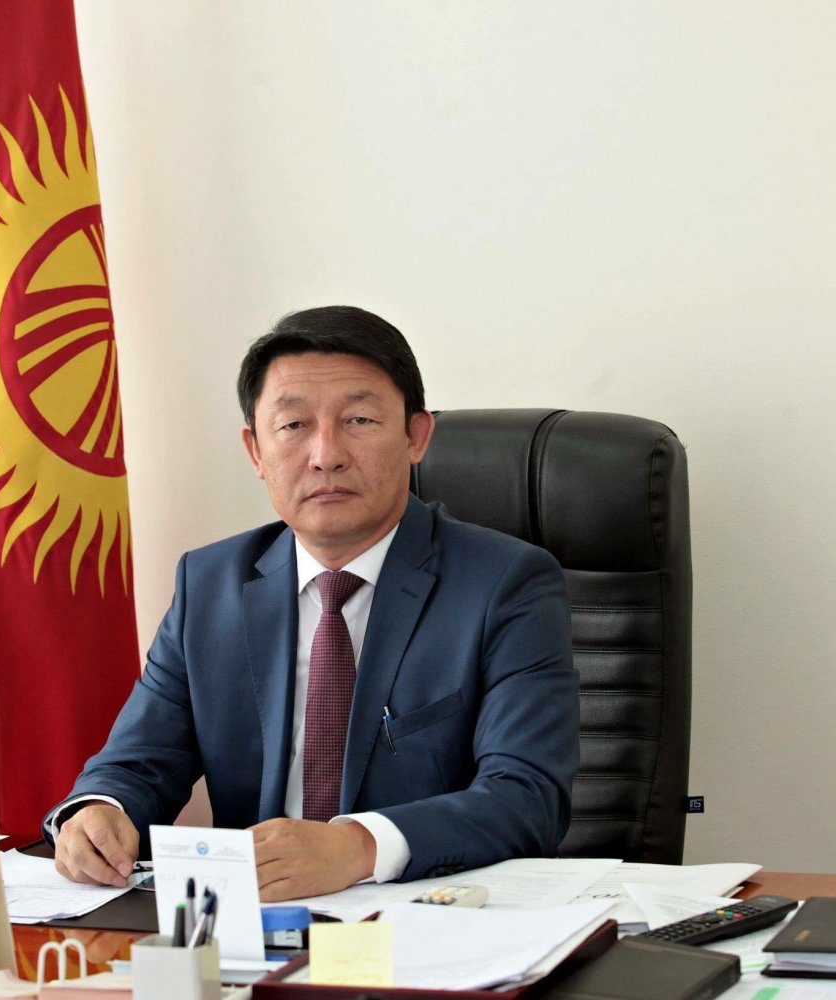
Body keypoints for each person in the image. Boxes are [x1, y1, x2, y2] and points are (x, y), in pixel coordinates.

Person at [45, 305, 579, 902]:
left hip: (433, 917)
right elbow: (137, 763)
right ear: (255, 451)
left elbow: (526, 796)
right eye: (293, 425)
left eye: (358, 420)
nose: (326, 454)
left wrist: (357, 847)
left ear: (416, 437)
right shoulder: (211, 584)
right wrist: (101, 810)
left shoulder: (506, 584)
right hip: (256, 922)